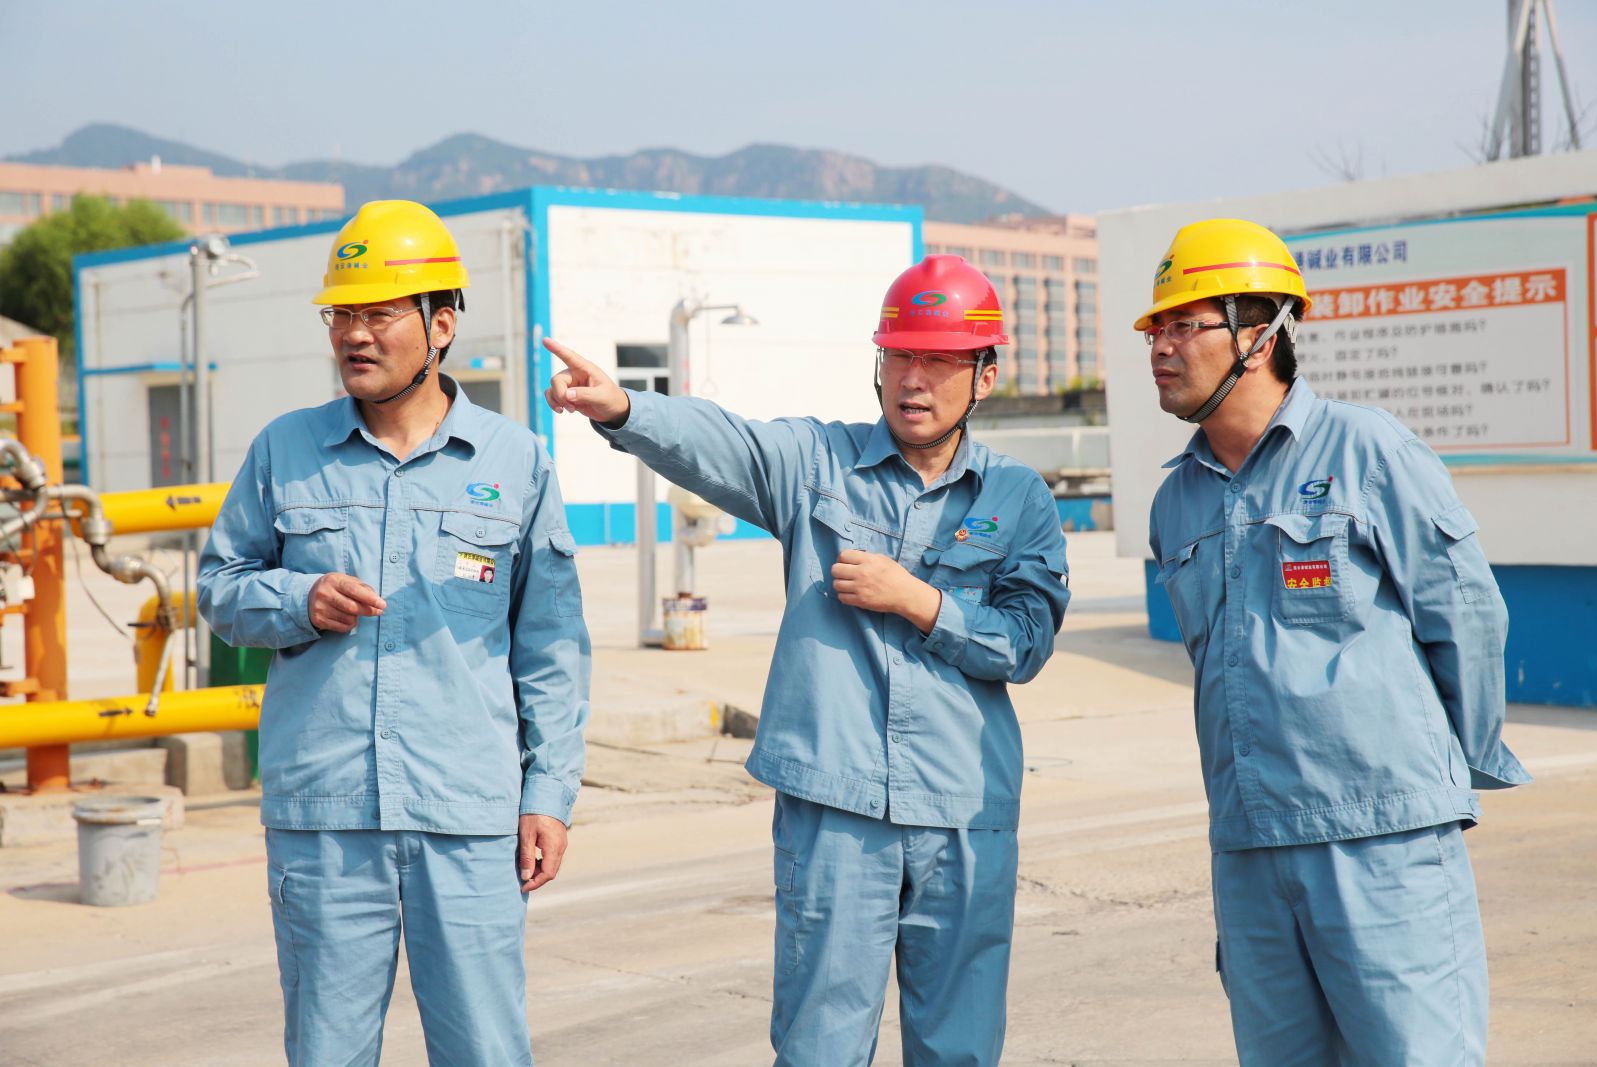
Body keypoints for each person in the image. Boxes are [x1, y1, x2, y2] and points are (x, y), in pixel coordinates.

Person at [543, 253, 1070, 1066]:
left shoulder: (1018, 496)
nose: (914, 379)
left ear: (985, 376)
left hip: (963, 809)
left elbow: (1026, 641)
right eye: (899, 356)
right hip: (835, 806)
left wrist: (919, 600)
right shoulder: (819, 464)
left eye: (939, 359)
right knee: (820, 1044)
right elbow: (727, 443)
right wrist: (623, 408)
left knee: (960, 1048)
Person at [198, 199, 589, 1066]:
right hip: (325, 816)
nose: (354, 335)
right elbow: (219, 589)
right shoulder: (284, 450)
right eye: (341, 316)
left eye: (378, 314)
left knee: (486, 1049)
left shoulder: (514, 461)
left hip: (468, 815)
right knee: (328, 1051)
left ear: (440, 324)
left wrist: (548, 794)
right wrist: (300, 599)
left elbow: (553, 648)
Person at [1141, 217, 1529, 1065]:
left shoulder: (1368, 451)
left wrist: (1439, 777)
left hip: (1381, 840)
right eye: (1155, 329)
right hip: (1250, 849)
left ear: (1260, 334)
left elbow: (1465, 616)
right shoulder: (1177, 502)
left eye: (1185, 325)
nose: (1161, 347)